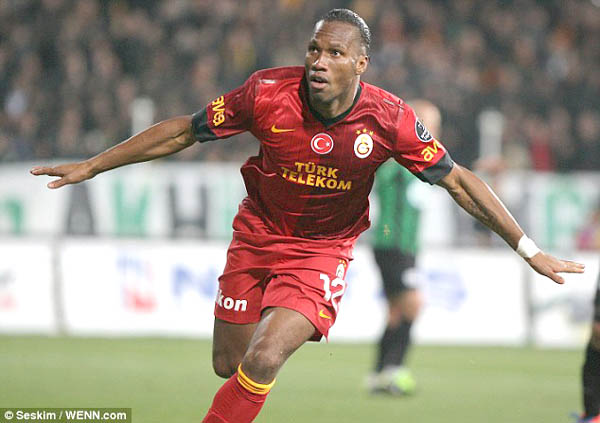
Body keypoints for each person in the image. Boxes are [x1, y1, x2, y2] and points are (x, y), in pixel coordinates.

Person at [30, 9, 585, 423]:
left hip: (321, 251)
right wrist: (94, 165)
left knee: (265, 356)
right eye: (314, 49)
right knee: (229, 364)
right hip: (255, 236)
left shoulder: (389, 119)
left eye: (335, 53)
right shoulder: (266, 92)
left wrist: (528, 249)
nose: (319, 61)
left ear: (360, 64)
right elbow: (183, 131)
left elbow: (458, 181)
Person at [368, 99, 441, 396]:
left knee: (396, 312)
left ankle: (379, 374)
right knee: (413, 303)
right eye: (431, 123)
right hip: (392, 243)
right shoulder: (398, 160)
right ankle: (394, 370)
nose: (435, 130)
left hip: (403, 246)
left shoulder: (422, 160)